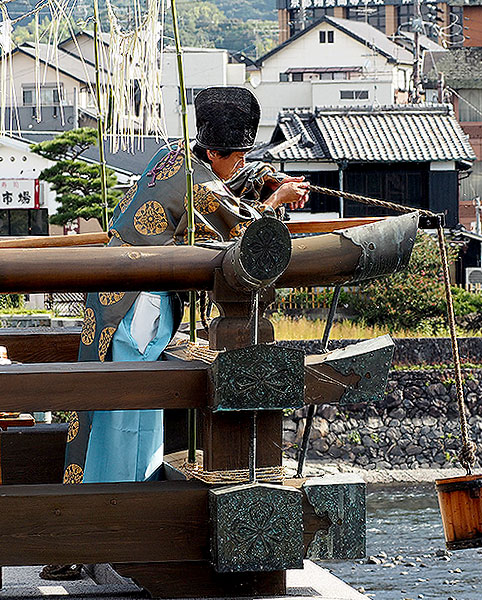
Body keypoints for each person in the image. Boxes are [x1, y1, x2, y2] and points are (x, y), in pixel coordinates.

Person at [40, 87, 307, 581]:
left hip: (112, 304)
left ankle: (78, 541)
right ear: (215, 152)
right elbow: (242, 233)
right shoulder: (202, 186)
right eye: (239, 155)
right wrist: (277, 200)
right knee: (127, 423)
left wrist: (258, 183)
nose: (242, 162)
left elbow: (223, 190)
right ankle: (117, 534)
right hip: (137, 311)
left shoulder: (173, 157)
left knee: (97, 421)